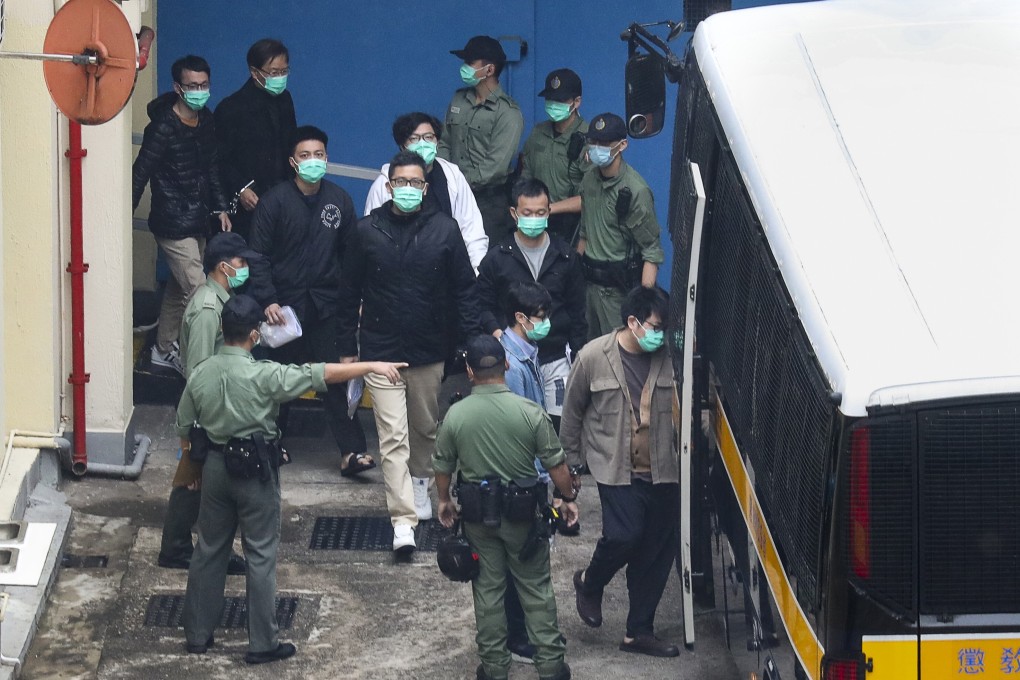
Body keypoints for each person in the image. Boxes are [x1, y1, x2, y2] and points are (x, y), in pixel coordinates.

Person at [179, 294, 406, 664]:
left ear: (222, 330)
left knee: (208, 551)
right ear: (255, 335)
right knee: (261, 554)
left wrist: (191, 470)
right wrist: (372, 365)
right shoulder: (265, 374)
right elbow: (321, 372)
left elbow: (184, 424)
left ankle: (197, 636)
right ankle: (262, 642)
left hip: (216, 467)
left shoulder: (202, 372)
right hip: (255, 470)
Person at [337, 151, 480, 552]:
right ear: (388, 186)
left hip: (428, 349)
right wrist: (349, 350)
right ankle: (402, 522)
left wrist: (467, 344)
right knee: (392, 436)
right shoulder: (366, 232)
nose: (408, 190)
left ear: (426, 187)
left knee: (425, 430)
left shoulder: (444, 229)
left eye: (416, 183)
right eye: (401, 182)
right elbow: (347, 296)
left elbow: (465, 291)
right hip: (380, 349)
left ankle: (423, 485)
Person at [434, 334, 578, 680]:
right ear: (508, 365)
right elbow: (557, 467)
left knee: (487, 592)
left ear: (469, 371)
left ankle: (495, 668)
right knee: (536, 590)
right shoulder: (530, 413)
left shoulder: (455, 416)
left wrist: (444, 501)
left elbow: (442, 466)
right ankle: (551, 667)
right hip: (524, 519)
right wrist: (568, 499)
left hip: (478, 520)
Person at [560, 286, 680, 658]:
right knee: (624, 535)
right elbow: (572, 413)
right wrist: (570, 467)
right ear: (633, 322)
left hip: (664, 471)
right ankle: (590, 582)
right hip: (615, 469)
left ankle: (638, 631)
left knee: (656, 553)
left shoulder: (670, 357)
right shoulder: (593, 356)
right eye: (655, 327)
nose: (660, 335)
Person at [248, 125, 372, 477]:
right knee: (279, 381)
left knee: (334, 379)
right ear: (293, 161)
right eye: (305, 156)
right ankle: (270, 443)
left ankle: (352, 453)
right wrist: (268, 299)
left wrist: (355, 301)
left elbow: (351, 257)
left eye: (319, 155)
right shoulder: (275, 201)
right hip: (283, 312)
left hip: (325, 307)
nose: (313, 161)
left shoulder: (339, 200)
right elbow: (257, 255)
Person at [158, 232, 258, 575]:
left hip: (215, 404)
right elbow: (199, 372)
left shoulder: (220, 301)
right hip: (206, 407)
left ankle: (183, 546)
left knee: (198, 480)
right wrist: (198, 427)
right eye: (241, 262)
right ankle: (177, 548)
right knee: (194, 479)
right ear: (222, 266)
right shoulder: (206, 309)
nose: (245, 267)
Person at [132, 54, 231, 376]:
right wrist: (123, 219)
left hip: (199, 218)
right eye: (192, 86)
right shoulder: (162, 127)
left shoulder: (208, 121)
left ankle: (163, 350)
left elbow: (213, 167)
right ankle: (198, 365)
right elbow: (140, 172)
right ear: (177, 87)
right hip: (172, 222)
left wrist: (220, 208)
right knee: (201, 293)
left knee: (178, 289)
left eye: (204, 85)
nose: (199, 91)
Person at [477, 178, 587, 432]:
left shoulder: (565, 257)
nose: (534, 218)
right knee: (515, 426)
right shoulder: (497, 258)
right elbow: (482, 304)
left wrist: (577, 354)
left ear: (549, 212)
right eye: (527, 213)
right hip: (511, 361)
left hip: (556, 357)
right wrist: (497, 334)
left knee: (558, 426)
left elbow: (577, 310)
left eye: (540, 212)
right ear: (514, 213)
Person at [575, 113, 664, 339]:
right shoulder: (589, 180)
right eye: (593, 142)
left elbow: (651, 252)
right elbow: (585, 231)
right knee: (588, 352)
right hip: (589, 289)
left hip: (617, 291)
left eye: (604, 144)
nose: (596, 148)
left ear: (622, 145)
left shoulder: (635, 190)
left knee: (619, 356)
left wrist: (643, 307)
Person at [364, 111, 488, 270]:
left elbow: (472, 230)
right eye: (414, 139)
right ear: (403, 146)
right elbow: (371, 238)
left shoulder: (453, 176)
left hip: (446, 273)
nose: (422, 143)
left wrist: (476, 273)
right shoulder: (384, 184)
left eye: (429, 137)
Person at [438, 35, 524, 243]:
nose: (464, 67)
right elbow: (443, 141)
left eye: (470, 63)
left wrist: (459, 184)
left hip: (488, 202)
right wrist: (445, 179)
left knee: (484, 263)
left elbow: (495, 166)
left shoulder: (508, 113)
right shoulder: (459, 98)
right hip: (451, 196)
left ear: (489, 70)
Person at [214, 38, 297, 241]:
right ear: (254, 72)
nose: (280, 77)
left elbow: (291, 143)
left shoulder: (285, 100)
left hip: (282, 196)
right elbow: (219, 159)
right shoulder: (231, 108)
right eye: (273, 72)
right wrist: (240, 188)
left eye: (284, 71)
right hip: (250, 202)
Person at [521, 69, 588, 242]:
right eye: (550, 99)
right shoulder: (538, 133)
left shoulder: (590, 139)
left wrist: (549, 208)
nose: (553, 104)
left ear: (576, 102)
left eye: (560, 100)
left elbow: (594, 197)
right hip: (535, 223)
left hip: (574, 227)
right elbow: (525, 177)